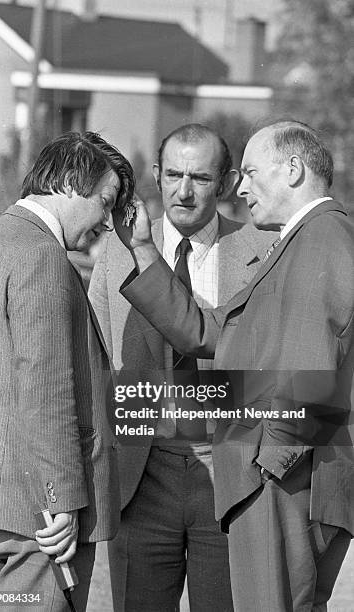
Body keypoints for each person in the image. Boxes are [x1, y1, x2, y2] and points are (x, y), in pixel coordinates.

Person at [114, 120, 354, 611]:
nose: (240, 189)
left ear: (292, 170)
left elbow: (316, 377)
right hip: (278, 476)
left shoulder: (323, 237)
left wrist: (259, 464)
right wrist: (142, 248)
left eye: (248, 172)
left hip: (284, 483)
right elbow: (212, 332)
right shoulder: (299, 241)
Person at [89, 123, 276, 611]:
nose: (184, 191)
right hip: (139, 474)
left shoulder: (265, 253)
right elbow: (98, 359)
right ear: (155, 174)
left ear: (227, 182)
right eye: (173, 175)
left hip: (230, 476)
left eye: (200, 177)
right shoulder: (114, 253)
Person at [0, 131, 135, 611]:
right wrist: (61, 500)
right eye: (105, 202)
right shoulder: (41, 255)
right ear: (68, 181)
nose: (106, 223)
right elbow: (46, 390)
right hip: (42, 519)